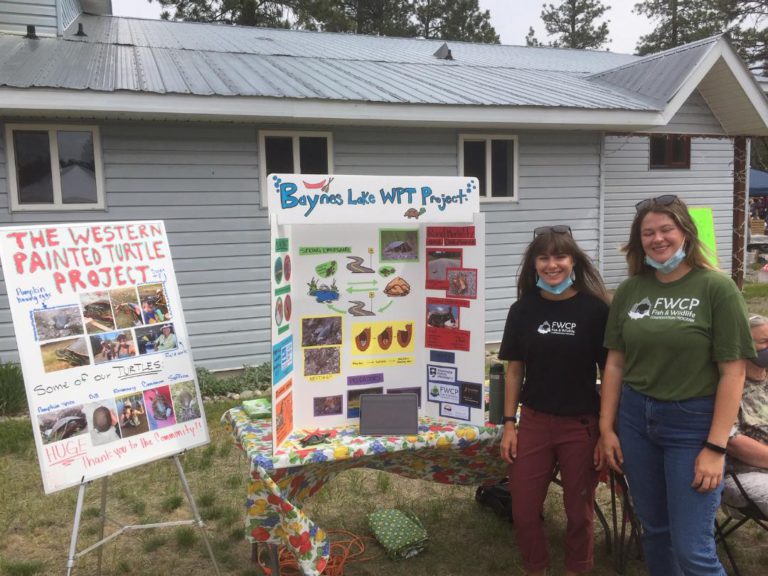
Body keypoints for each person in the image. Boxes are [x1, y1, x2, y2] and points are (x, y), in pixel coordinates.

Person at [600, 194, 755, 576]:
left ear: (686, 232)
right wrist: (607, 428)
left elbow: (733, 372)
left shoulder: (717, 289)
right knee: (654, 533)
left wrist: (716, 447)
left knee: (692, 550)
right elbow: (616, 363)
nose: (657, 239)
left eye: (666, 229)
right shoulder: (631, 290)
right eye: (648, 232)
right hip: (636, 418)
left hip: (692, 424)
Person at [498, 224, 610, 576]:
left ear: (574, 261)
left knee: (579, 510)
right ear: (533, 265)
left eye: (559, 256)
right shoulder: (522, 310)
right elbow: (514, 370)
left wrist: (606, 431)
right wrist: (509, 424)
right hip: (533, 421)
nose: (552, 264)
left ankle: (578, 567)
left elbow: (610, 374)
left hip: (580, 425)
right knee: (524, 509)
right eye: (543, 257)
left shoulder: (596, 310)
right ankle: (537, 567)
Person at [722, 314, 768, 517]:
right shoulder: (728, 388)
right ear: (742, 347)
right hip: (744, 473)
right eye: (764, 342)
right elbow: (731, 441)